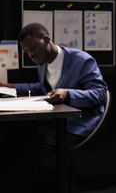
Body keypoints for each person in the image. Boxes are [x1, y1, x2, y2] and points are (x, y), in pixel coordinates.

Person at [0, 22, 108, 192]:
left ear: (47, 39)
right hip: (55, 121)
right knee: (18, 140)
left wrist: (69, 93)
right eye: (26, 51)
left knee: (34, 151)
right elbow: (42, 88)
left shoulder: (81, 60)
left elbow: (100, 94)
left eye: (33, 48)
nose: (30, 54)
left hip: (77, 123)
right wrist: (9, 87)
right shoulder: (43, 63)